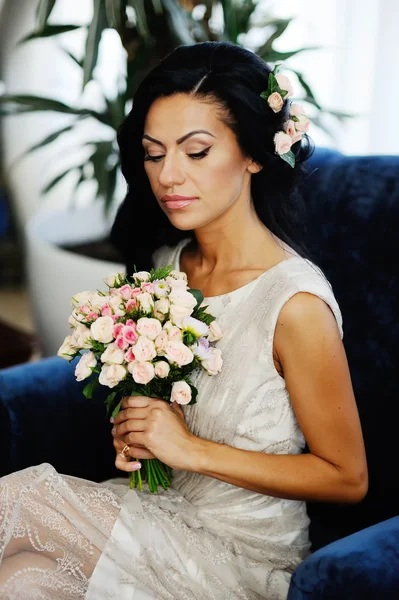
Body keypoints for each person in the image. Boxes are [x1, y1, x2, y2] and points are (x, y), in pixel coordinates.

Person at [0, 42, 367, 600]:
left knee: (23, 501)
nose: (168, 175)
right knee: (21, 582)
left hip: (242, 557)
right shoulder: (170, 267)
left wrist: (188, 449)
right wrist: (142, 430)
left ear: (253, 153)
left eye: (196, 152)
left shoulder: (295, 304)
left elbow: (347, 477)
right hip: (154, 513)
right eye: (153, 153)